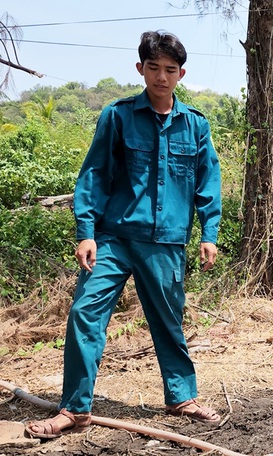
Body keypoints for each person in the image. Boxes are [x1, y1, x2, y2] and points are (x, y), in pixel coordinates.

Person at [25, 30, 222, 439]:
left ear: (181, 74)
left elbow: (208, 182)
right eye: (154, 68)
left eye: (170, 70)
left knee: (168, 321)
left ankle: (182, 396)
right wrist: (86, 232)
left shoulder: (195, 126)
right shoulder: (117, 115)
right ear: (140, 69)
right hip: (113, 237)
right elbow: (94, 175)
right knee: (85, 313)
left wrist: (210, 232)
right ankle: (74, 409)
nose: (161, 77)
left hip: (166, 242)